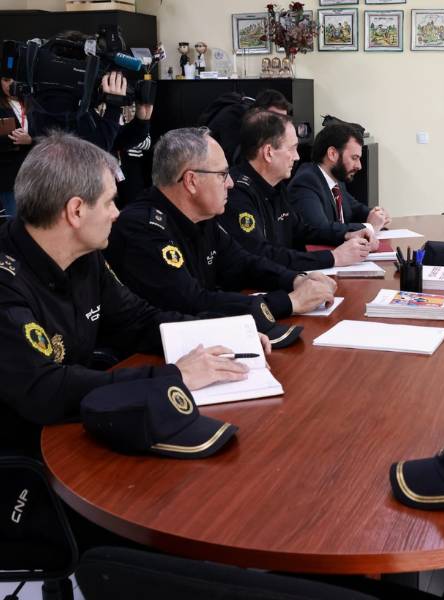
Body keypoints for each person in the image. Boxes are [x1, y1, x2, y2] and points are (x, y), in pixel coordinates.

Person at [0, 132, 266, 457]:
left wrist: (227, 335)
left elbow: (137, 320)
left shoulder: (85, 254)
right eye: (110, 201)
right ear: (76, 211)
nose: (117, 213)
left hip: (75, 429)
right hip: (25, 453)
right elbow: (42, 389)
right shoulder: (7, 281)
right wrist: (174, 376)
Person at [104, 127, 336, 344]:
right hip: (162, 350)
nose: (231, 183)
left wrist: (296, 279)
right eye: (222, 174)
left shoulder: (203, 218)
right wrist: (289, 302)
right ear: (191, 181)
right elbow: (191, 302)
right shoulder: (142, 228)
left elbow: (243, 263)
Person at [221, 111, 375, 271]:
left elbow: (302, 230)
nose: (297, 157)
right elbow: (261, 255)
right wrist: (333, 257)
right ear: (268, 153)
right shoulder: (237, 192)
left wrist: (347, 234)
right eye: (292, 149)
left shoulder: (276, 186)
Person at [288, 122, 390, 237]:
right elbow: (319, 228)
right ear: (332, 154)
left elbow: (354, 208)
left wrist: (375, 214)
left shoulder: (336, 179)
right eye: (354, 158)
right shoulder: (306, 181)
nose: (359, 166)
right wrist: (369, 227)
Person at [201, 88, 292, 166]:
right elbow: (233, 159)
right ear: (260, 112)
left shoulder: (255, 120)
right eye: (274, 118)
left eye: (283, 119)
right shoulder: (233, 119)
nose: (279, 125)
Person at [0, 77, 33, 217]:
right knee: (17, 223)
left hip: (35, 176)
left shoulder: (34, 105)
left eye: (15, 79)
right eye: (6, 80)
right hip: (9, 178)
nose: (11, 84)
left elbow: (48, 135)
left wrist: (30, 140)